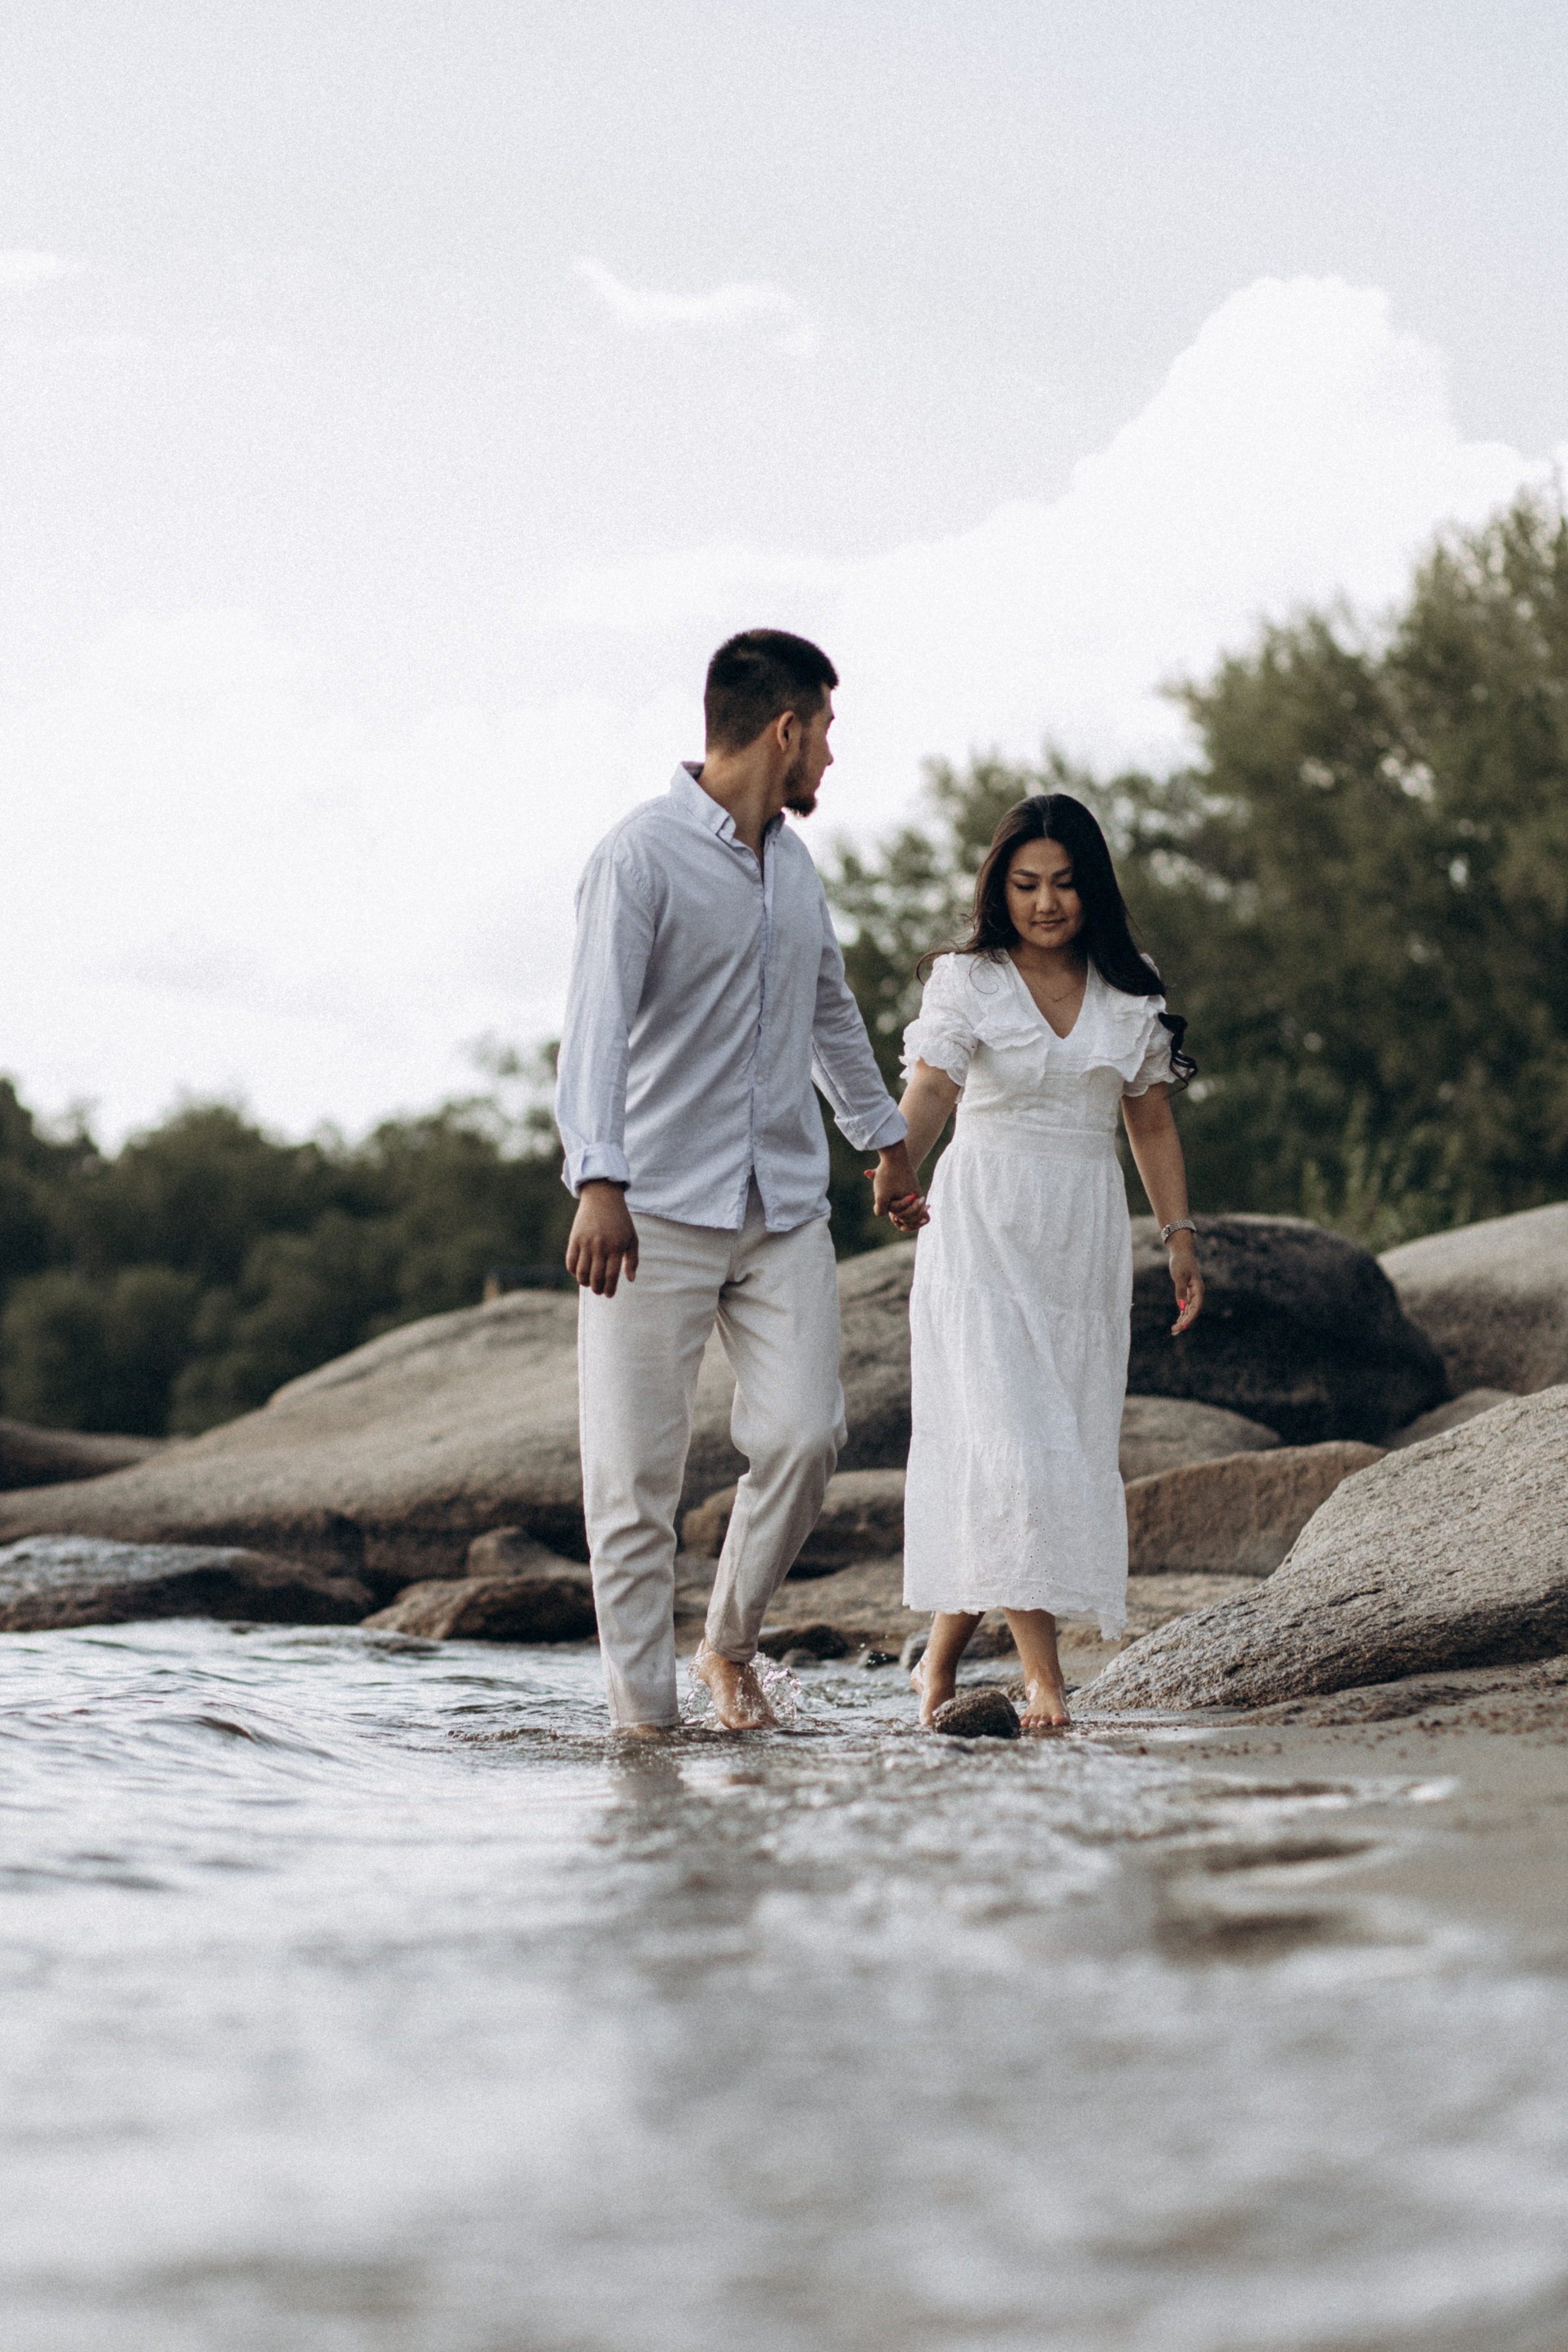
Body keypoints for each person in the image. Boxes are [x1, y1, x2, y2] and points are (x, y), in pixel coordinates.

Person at [556, 630, 921, 1735]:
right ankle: (645, 1735)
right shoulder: (639, 857)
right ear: (786, 730)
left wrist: (885, 1138)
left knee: (808, 1434)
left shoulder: (794, 868)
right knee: (633, 1486)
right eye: (827, 735)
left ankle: (726, 1643)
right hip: (652, 1210)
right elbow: (595, 1028)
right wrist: (597, 1178)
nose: (831, 759)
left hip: (781, 1208)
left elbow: (828, 1011)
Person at [884, 792, 1204, 1731]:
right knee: (1013, 1447)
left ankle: (937, 1665)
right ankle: (1045, 1682)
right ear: (1001, 888)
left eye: (1064, 883)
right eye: (1025, 884)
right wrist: (898, 1162)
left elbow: (1150, 1121)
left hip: (1079, 1235)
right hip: (981, 1228)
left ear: (1090, 887)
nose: (1046, 902)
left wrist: (1179, 1238)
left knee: (1041, 1453)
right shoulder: (969, 980)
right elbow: (933, 1087)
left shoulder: (1130, 985)